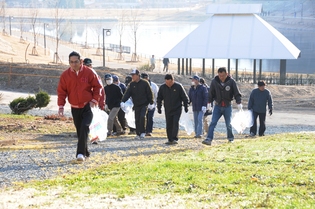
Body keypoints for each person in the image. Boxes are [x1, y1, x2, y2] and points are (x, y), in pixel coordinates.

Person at [57, 51, 102, 161]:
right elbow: (61, 91)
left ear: (81, 61)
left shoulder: (89, 72)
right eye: (71, 62)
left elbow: (98, 87)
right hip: (75, 108)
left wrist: (94, 100)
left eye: (76, 62)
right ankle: (86, 152)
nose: (74, 64)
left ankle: (80, 154)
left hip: (87, 106)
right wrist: (61, 106)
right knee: (80, 131)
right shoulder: (65, 75)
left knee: (84, 127)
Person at [202, 67, 242, 146]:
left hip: (227, 106)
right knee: (213, 122)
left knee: (228, 124)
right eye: (219, 76)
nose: (221, 77)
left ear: (226, 74)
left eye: (223, 76)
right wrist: (209, 102)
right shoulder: (214, 82)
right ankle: (209, 139)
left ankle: (230, 138)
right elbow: (211, 93)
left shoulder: (231, 82)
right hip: (218, 106)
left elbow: (236, 93)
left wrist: (239, 102)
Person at [121, 69, 154, 139]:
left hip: (144, 104)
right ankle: (138, 133)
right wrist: (123, 101)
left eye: (133, 75)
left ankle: (142, 132)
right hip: (136, 104)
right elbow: (127, 93)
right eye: (132, 75)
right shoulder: (132, 84)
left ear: (138, 75)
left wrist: (151, 102)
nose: (132, 77)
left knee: (142, 117)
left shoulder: (145, 83)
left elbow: (149, 93)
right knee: (137, 119)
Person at [157, 74, 189, 145]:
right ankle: (170, 139)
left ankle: (174, 138)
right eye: (166, 83)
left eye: (169, 83)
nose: (168, 84)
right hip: (168, 109)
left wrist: (186, 106)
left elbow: (184, 97)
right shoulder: (163, 87)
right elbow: (159, 98)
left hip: (177, 108)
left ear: (172, 80)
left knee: (175, 123)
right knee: (169, 124)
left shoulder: (178, 87)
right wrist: (159, 107)